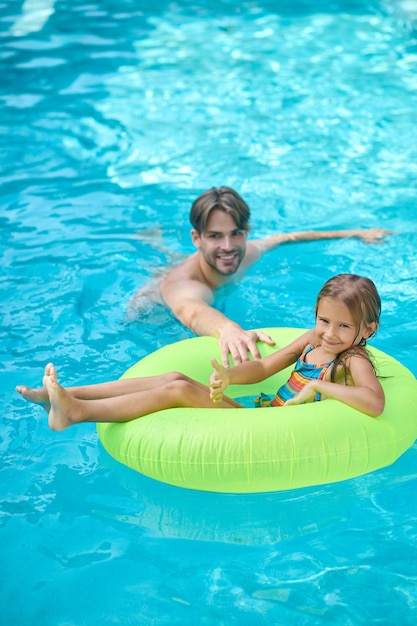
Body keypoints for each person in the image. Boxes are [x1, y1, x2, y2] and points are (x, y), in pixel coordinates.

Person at [16, 274, 385, 430]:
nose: (330, 334)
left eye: (344, 326)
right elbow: (264, 367)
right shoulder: (311, 340)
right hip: (261, 411)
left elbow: (374, 403)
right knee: (174, 377)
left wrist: (319, 387)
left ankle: (77, 413)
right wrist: (228, 376)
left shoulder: (351, 360)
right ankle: (65, 396)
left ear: (367, 329)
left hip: (266, 427)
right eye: (324, 320)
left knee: (177, 390)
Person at [132, 186, 391, 366]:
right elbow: (193, 311)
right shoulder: (185, 285)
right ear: (196, 238)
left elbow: (283, 239)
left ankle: (158, 245)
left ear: (246, 231)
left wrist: (357, 232)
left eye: (236, 233)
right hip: (155, 310)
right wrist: (228, 329)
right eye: (214, 236)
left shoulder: (247, 253)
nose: (228, 246)